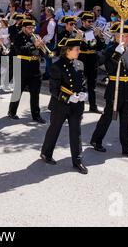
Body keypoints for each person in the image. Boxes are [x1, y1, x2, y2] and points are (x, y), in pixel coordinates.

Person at [90, 25, 128, 160]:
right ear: (117, 36)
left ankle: (127, 148)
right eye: (125, 35)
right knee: (108, 116)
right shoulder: (111, 49)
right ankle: (96, 140)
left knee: (126, 120)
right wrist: (117, 53)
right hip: (116, 88)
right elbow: (102, 63)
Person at [40, 38, 88, 174]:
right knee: (54, 129)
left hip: (76, 105)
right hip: (60, 104)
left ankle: (77, 160)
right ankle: (46, 153)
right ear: (68, 51)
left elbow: (82, 83)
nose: (79, 51)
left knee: (76, 132)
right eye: (76, 49)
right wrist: (68, 97)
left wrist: (84, 93)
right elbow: (53, 89)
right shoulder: (57, 66)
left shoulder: (80, 64)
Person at [8, 19, 46, 124]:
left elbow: (42, 54)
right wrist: (34, 45)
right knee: (18, 91)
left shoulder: (35, 37)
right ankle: (12, 111)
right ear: (24, 27)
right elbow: (20, 50)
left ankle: (36, 115)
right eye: (29, 28)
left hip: (35, 67)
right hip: (22, 67)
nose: (31, 30)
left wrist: (42, 46)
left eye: (33, 27)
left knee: (35, 93)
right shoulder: (18, 37)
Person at [78, 11, 106, 114]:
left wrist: (101, 37)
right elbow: (89, 45)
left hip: (93, 60)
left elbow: (100, 47)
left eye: (92, 21)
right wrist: (94, 35)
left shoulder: (91, 32)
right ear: (83, 21)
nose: (91, 23)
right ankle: (78, 106)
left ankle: (93, 106)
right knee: (80, 84)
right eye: (89, 21)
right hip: (83, 59)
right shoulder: (79, 31)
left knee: (92, 85)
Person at [40, 7, 57, 80]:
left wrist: (43, 40)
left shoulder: (51, 22)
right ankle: (47, 73)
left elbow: (50, 35)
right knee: (47, 59)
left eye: (46, 11)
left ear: (49, 13)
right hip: (46, 43)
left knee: (48, 60)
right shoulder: (48, 20)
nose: (44, 12)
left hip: (48, 43)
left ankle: (49, 74)